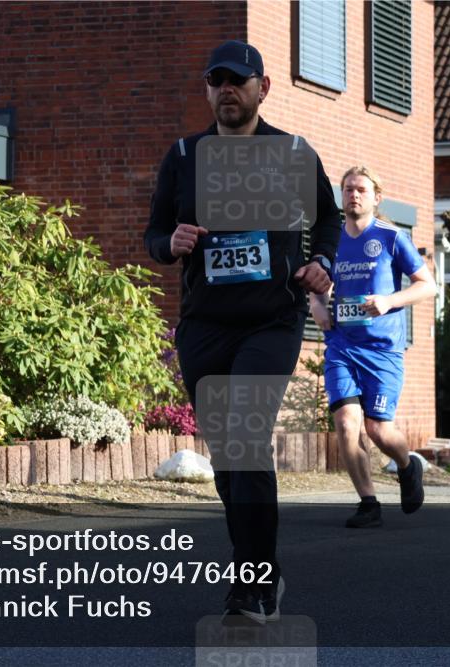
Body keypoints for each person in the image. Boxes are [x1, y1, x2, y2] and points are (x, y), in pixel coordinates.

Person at [144, 40, 341, 623]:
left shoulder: (292, 153)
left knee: (247, 438)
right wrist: (169, 243)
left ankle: (248, 583)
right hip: (204, 327)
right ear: (207, 89)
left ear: (263, 88)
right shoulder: (183, 155)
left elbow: (326, 217)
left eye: (238, 80)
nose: (226, 89)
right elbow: (154, 233)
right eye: (216, 80)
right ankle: (265, 569)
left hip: (272, 320)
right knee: (230, 457)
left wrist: (323, 263)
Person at [308, 166, 436, 528]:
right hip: (341, 345)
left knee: (379, 429)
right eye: (348, 189)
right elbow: (318, 285)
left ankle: (408, 466)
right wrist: (318, 306)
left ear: (376, 196)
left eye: (361, 189)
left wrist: (390, 301)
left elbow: (428, 286)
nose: (354, 195)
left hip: (382, 348)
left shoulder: (391, 237)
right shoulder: (331, 240)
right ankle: (368, 502)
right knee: (348, 425)